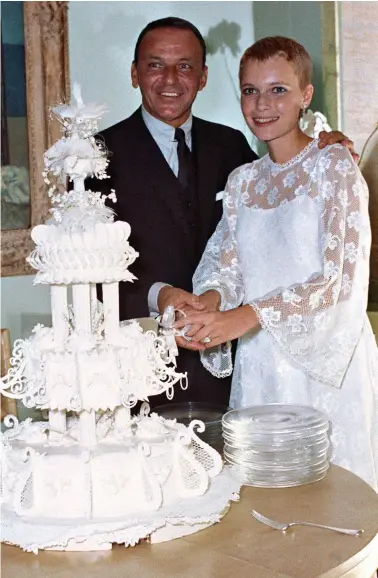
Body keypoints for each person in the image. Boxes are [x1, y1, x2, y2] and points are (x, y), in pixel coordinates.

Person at [86, 17, 355, 408]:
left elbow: (280, 217)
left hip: (240, 366)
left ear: (204, 76)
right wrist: (159, 297)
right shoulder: (96, 156)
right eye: (156, 65)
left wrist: (323, 144)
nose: (171, 79)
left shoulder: (232, 147)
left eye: (185, 66)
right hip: (144, 369)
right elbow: (86, 269)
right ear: (134, 73)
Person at [174, 36, 378, 489]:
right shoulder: (243, 181)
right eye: (250, 90)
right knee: (269, 500)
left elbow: (337, 282)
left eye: (278, 90)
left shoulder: (334, 167)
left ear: (306, 95)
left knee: (338, 497)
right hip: (262, 361)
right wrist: (208, 304)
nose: (262, 105)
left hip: (327, 360)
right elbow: (225, 264)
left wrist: (244, 317)